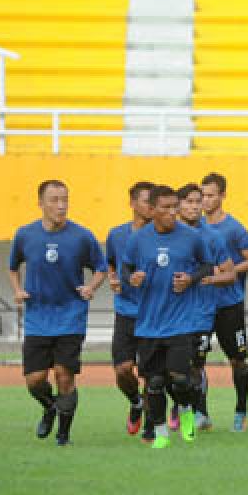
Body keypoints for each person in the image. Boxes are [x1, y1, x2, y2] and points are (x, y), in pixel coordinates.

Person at [9, 180, 107, 446]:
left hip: (70, 316)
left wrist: (91, 287)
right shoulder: (25, 235)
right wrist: (18, 290)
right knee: (35, 380)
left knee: (64, 375)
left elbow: (102, 267)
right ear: (40, 203)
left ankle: (63, 435)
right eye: (54, 200)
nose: (61, 205)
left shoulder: (82, 236)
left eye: (65, 199)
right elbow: (13, 266)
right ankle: (50, 407)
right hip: (37, 318)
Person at [123, 185, 213, 449]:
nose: (172, 212)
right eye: (165, 207)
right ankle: (161, 433)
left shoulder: (191, 237)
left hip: (181, 322)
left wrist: (191, 278)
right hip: (148, 324)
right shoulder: (138, 239)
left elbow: (207, 265)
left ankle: (185, 409)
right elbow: (125, 267)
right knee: (154, 382)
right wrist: (132, 278)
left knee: (180, 378)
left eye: (175, 206)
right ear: (151, 210)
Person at [201, 172, 248, 432]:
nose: (205, 200)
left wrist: (228, 271)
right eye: (202, 195)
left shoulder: (234, 228)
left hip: (229, 304)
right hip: (201, 305)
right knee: (195, 360)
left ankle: (241, 411)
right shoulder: (193, 229)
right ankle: (200, 413)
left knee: (237, 360)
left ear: (223, 196)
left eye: (211, 195)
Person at [176, 183, 235, 433]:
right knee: (175, 367)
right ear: (178, 205)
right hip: (173, 313)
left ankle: (200, 412)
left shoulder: (213, 237)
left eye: (197, 201)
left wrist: (210, 279)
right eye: (188, 202)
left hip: (201, 312)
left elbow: (230, 273)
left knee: (195, 365)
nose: (193, 206)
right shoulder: (167, 235)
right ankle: (181, 406)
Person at [106, 181, 154, 436]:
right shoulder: (116, 235)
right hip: (126, 311)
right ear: (133, 203)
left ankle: (149, 424)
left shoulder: (162, 235)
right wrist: (113, 279)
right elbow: (111, 264)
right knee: (123, 370)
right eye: (147, 201)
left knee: (151, 374)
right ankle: (136, 403)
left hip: (154, 313)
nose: (152, 206)